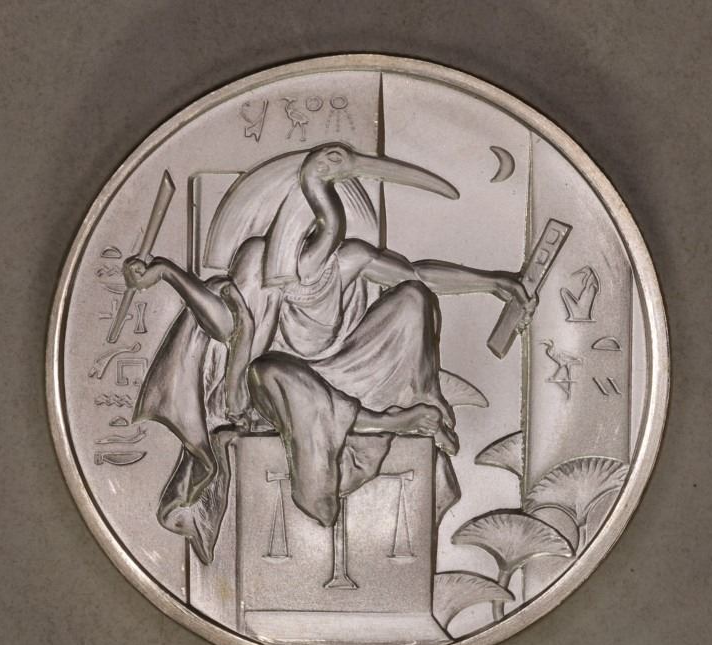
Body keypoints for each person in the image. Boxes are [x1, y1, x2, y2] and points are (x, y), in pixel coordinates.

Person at [124, 144, 536, 563]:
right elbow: (225, 327)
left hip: (342, 375)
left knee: (413, 298)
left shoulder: (349, 260)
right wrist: (169, 273)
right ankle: (391, 422)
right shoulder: (257, 260)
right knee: (272, 371)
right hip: (274, 390)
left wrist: (492, 282)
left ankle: (418, 403)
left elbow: (419, 274)